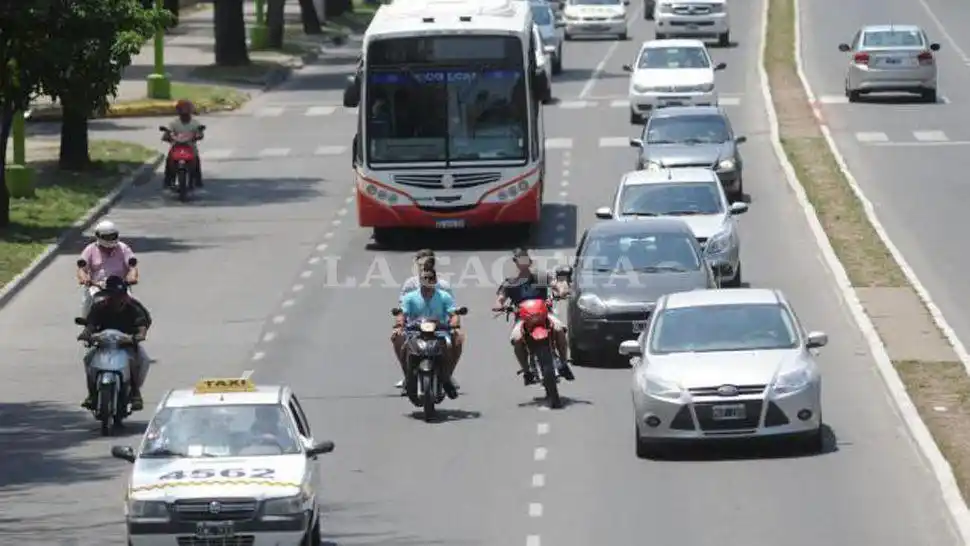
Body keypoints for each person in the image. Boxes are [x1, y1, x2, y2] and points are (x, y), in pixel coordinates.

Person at [493, 248, 574, 385]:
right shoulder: (510, 283)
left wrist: (561, 291)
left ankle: (564, 364)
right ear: (515, 263)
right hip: (523, 319)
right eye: (519, 259)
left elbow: (557, 285)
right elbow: (500, 299)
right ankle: (527, 371)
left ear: (530, 261)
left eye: (525, 259)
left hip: (545, 315)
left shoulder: (540, 277)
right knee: (517, 339)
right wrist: (499, 305)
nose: (523, 262)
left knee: (559, 330)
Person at [77, 276, 153, 411]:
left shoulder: (133, 307)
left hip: (127, 344)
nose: (116, 298)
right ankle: (92, 394)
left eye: (119, 295)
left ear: (124, 295)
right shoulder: (99, 307)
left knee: (141, 360)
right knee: (88, 359)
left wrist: (138, 337)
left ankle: (135, 393)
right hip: (104, 344)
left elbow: (142, 325)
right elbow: (91, 324)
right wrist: (87, 334)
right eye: (112, 295)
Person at [392, 269, 463, 399]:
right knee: (397, 337)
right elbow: (402, 313)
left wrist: (455, 325)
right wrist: (399, 325)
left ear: (435, 281)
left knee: (458, 338)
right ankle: (407, 374)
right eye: (425, 278)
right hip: (415, 331)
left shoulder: (444, 296)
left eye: (431, 279)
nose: (428, 282)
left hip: (439, 331)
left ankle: (447, 376)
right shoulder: (410, 297)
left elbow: (453, 313)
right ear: (420, 281)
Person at [76, 220, 139, 318]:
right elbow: (81, 268)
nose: (110, 239)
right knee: (87, 304)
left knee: (133, 305)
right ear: (98, 236)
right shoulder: (90, 249)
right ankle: (88, 327)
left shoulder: (123, 248)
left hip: (120, 285)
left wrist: (132, 276)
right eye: (107, 237)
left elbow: (132, 266)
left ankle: (137, 328)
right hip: (97, 286)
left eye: (112, 236)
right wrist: (84, 278)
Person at [162, 99, 205, 188]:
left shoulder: (195, 123)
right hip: (176, 146)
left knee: (196, 159)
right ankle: (168, 179)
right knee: (169, 159)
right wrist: (167, 136)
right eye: (182, 111)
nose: (184, 114)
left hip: (190, 147)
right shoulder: (174, 123)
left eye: (186, 111)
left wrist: (198, 135)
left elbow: (200, 133)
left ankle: (197, 180)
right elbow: (167, 133)